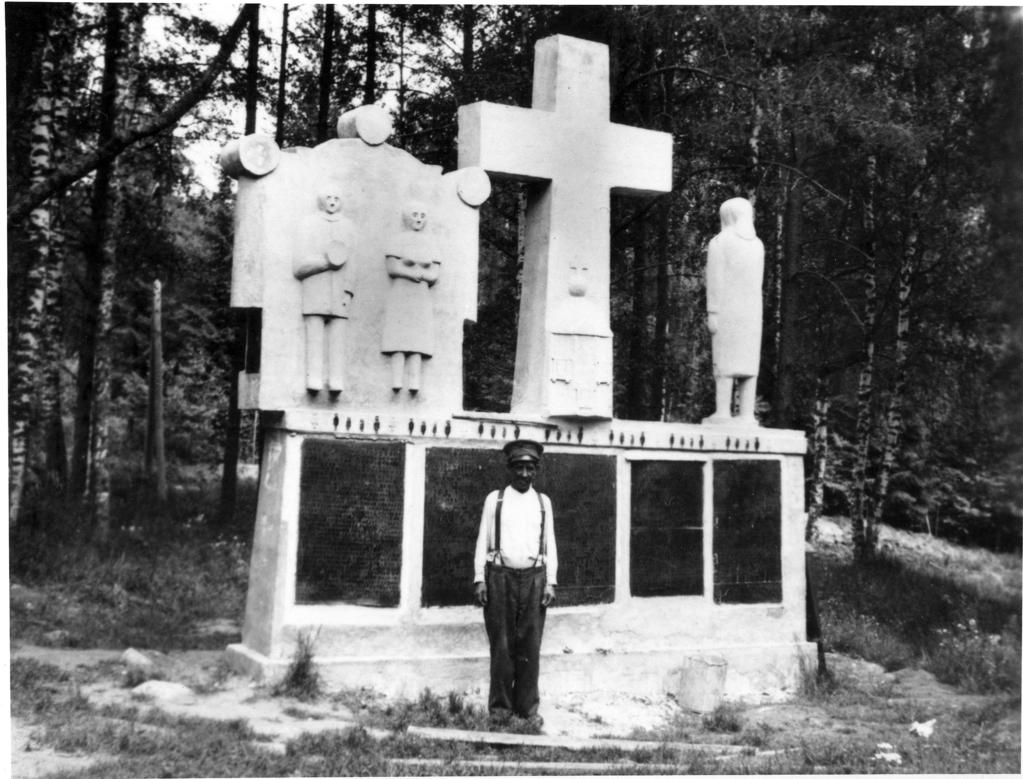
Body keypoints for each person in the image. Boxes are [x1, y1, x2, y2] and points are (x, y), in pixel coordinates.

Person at [473, 440, 557, 727]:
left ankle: (527, 710)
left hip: (534, 579)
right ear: (510, 469)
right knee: (502, 646)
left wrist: (551, 582)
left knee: (530, 647)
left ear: (536, 470)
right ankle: (499, 710)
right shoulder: (494, 500)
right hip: (500, 578)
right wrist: (480, 579)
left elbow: (550, 545)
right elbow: (482, 540)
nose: (524, 474)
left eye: (529, 468)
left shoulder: (543, 502)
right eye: (519, 467)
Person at [704, 197, 764, 423]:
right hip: (751, 313)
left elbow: (715, 280)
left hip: (728, 310)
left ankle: (722, 412)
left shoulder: (719, 243)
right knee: (748, 362)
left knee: (725, 361)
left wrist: (712, 312)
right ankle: (747, 413)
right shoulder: (757, 245)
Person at [293, 186, 356, 393]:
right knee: (315, 335)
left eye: (336, 198)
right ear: (321, 200)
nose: (332, 201)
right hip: (315, 288)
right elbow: (299, 265)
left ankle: (336, 379)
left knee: (338, 337)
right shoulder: (308, 224)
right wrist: (327, 262)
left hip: (339, 290)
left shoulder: (348, 227)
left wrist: (348, 291)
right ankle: (314, 378)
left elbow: (353, 263)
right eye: (328, 197)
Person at [381, 201, 440, 393]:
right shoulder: (397, 239)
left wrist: (421, 275)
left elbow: (434, 273)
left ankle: (415, 380)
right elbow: (392, 267)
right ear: (407, 217)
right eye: (415, 215)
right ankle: (396, 379)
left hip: (420, 295)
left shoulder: (430, 242)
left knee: (417, 339)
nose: (419, 219)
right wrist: (410, 273)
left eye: (422, 216)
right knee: (399, 336)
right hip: (401, 293)